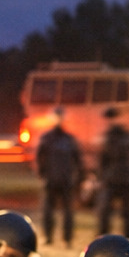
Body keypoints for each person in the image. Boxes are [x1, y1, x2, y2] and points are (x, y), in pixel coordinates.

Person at [35, 106, 84, 248]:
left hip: (66, 180)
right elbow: (39, 158)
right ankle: (48, 237)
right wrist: (42, 175)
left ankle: (67, 239)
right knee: (48, 211)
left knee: (68, 212)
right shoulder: (46, 138)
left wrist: (78, 178)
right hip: (50, 180)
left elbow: (78, 160)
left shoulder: (69, 139)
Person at [98, 107, 129, 239]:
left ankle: (124, 239)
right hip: (118, 178)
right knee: (107, 212)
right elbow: (103, 160)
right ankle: (104, 239)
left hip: (120, 178)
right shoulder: (125, 137)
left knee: (123, 212)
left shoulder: (119, 138)